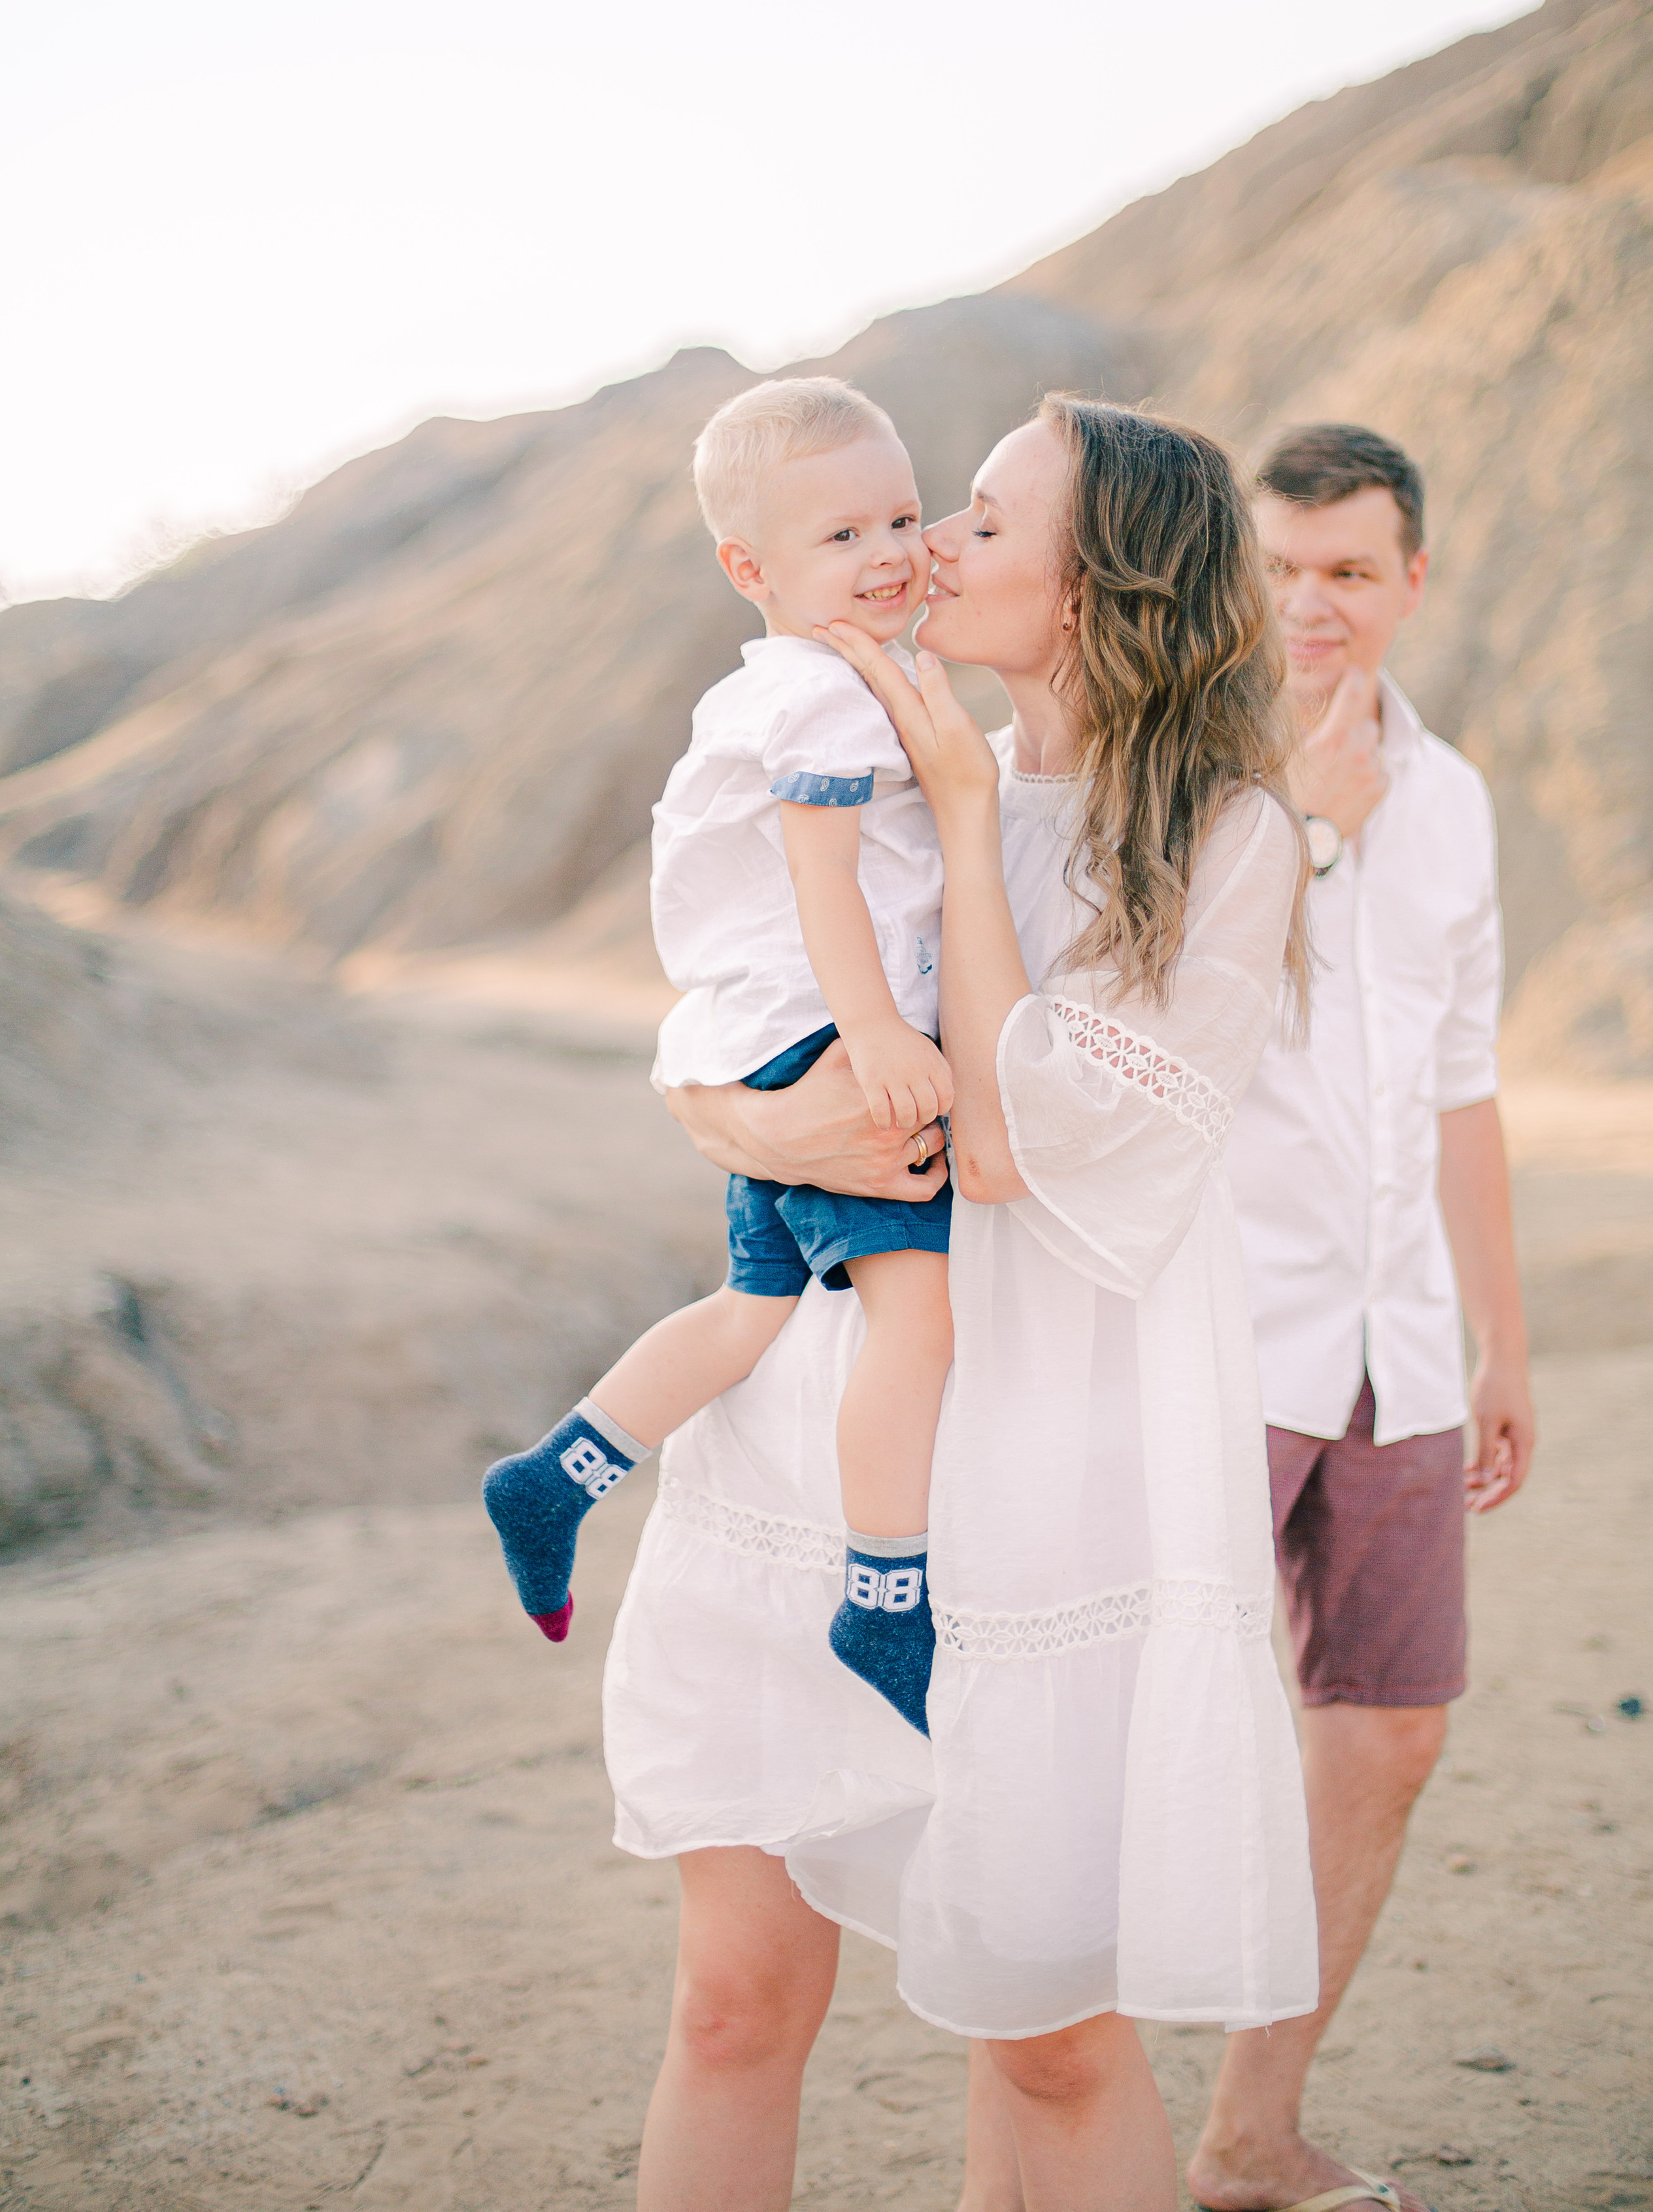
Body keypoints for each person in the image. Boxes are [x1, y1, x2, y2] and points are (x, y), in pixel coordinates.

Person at [604, 398, 1322, 2212]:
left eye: (980, 522)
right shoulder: (871, 759)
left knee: (1050, 2043)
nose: (927, 550)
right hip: (817, 1436)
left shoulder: (1221, 841)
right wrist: (744, 1108)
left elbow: (1003, 1143)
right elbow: (713, 1041)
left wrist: (969, 816)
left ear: (1097, 588)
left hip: (1048, 1484)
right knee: (731, 2005)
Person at [483, 377, 956, 1728]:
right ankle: (886, 1603)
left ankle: (560, 1471)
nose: (885, 556)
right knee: (915, 1327)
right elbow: (825, 877)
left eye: (900, 519)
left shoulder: (781, 684)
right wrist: (873, 1034)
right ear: (748, 568)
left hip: (758, 1035)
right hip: (828, 1029)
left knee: (753, 1312)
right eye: (839, 538)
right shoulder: (826, 699)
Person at [1186, 424, 1537, 2212]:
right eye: (1282, 566)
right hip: (1219, 1334)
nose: (1311, 602)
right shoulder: (1182, 772)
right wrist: (1307, 838)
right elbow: (1156, 1039)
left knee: (1390, 1726)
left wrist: (1502, 1339)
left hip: (1401, 1340)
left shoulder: (1460, 798)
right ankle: (1040, 2158)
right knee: (1149, 1736)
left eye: (1349, 568)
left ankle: (1252, 2133)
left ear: (1413, 581)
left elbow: (1461, 1082)